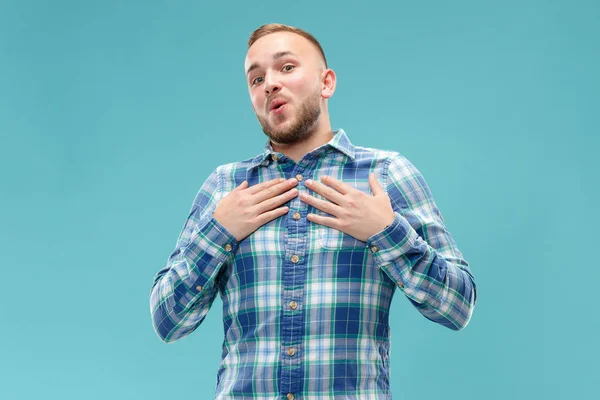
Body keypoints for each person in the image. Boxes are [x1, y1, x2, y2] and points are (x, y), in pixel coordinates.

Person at [149, 23, 477, 400]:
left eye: (286, 67)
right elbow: (168, 322)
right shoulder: (226, 186)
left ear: (327, 83)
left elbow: (457, 307)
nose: (269, 83)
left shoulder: (386, 175)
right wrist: (220, 232)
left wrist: (385, 231)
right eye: (256, 79)